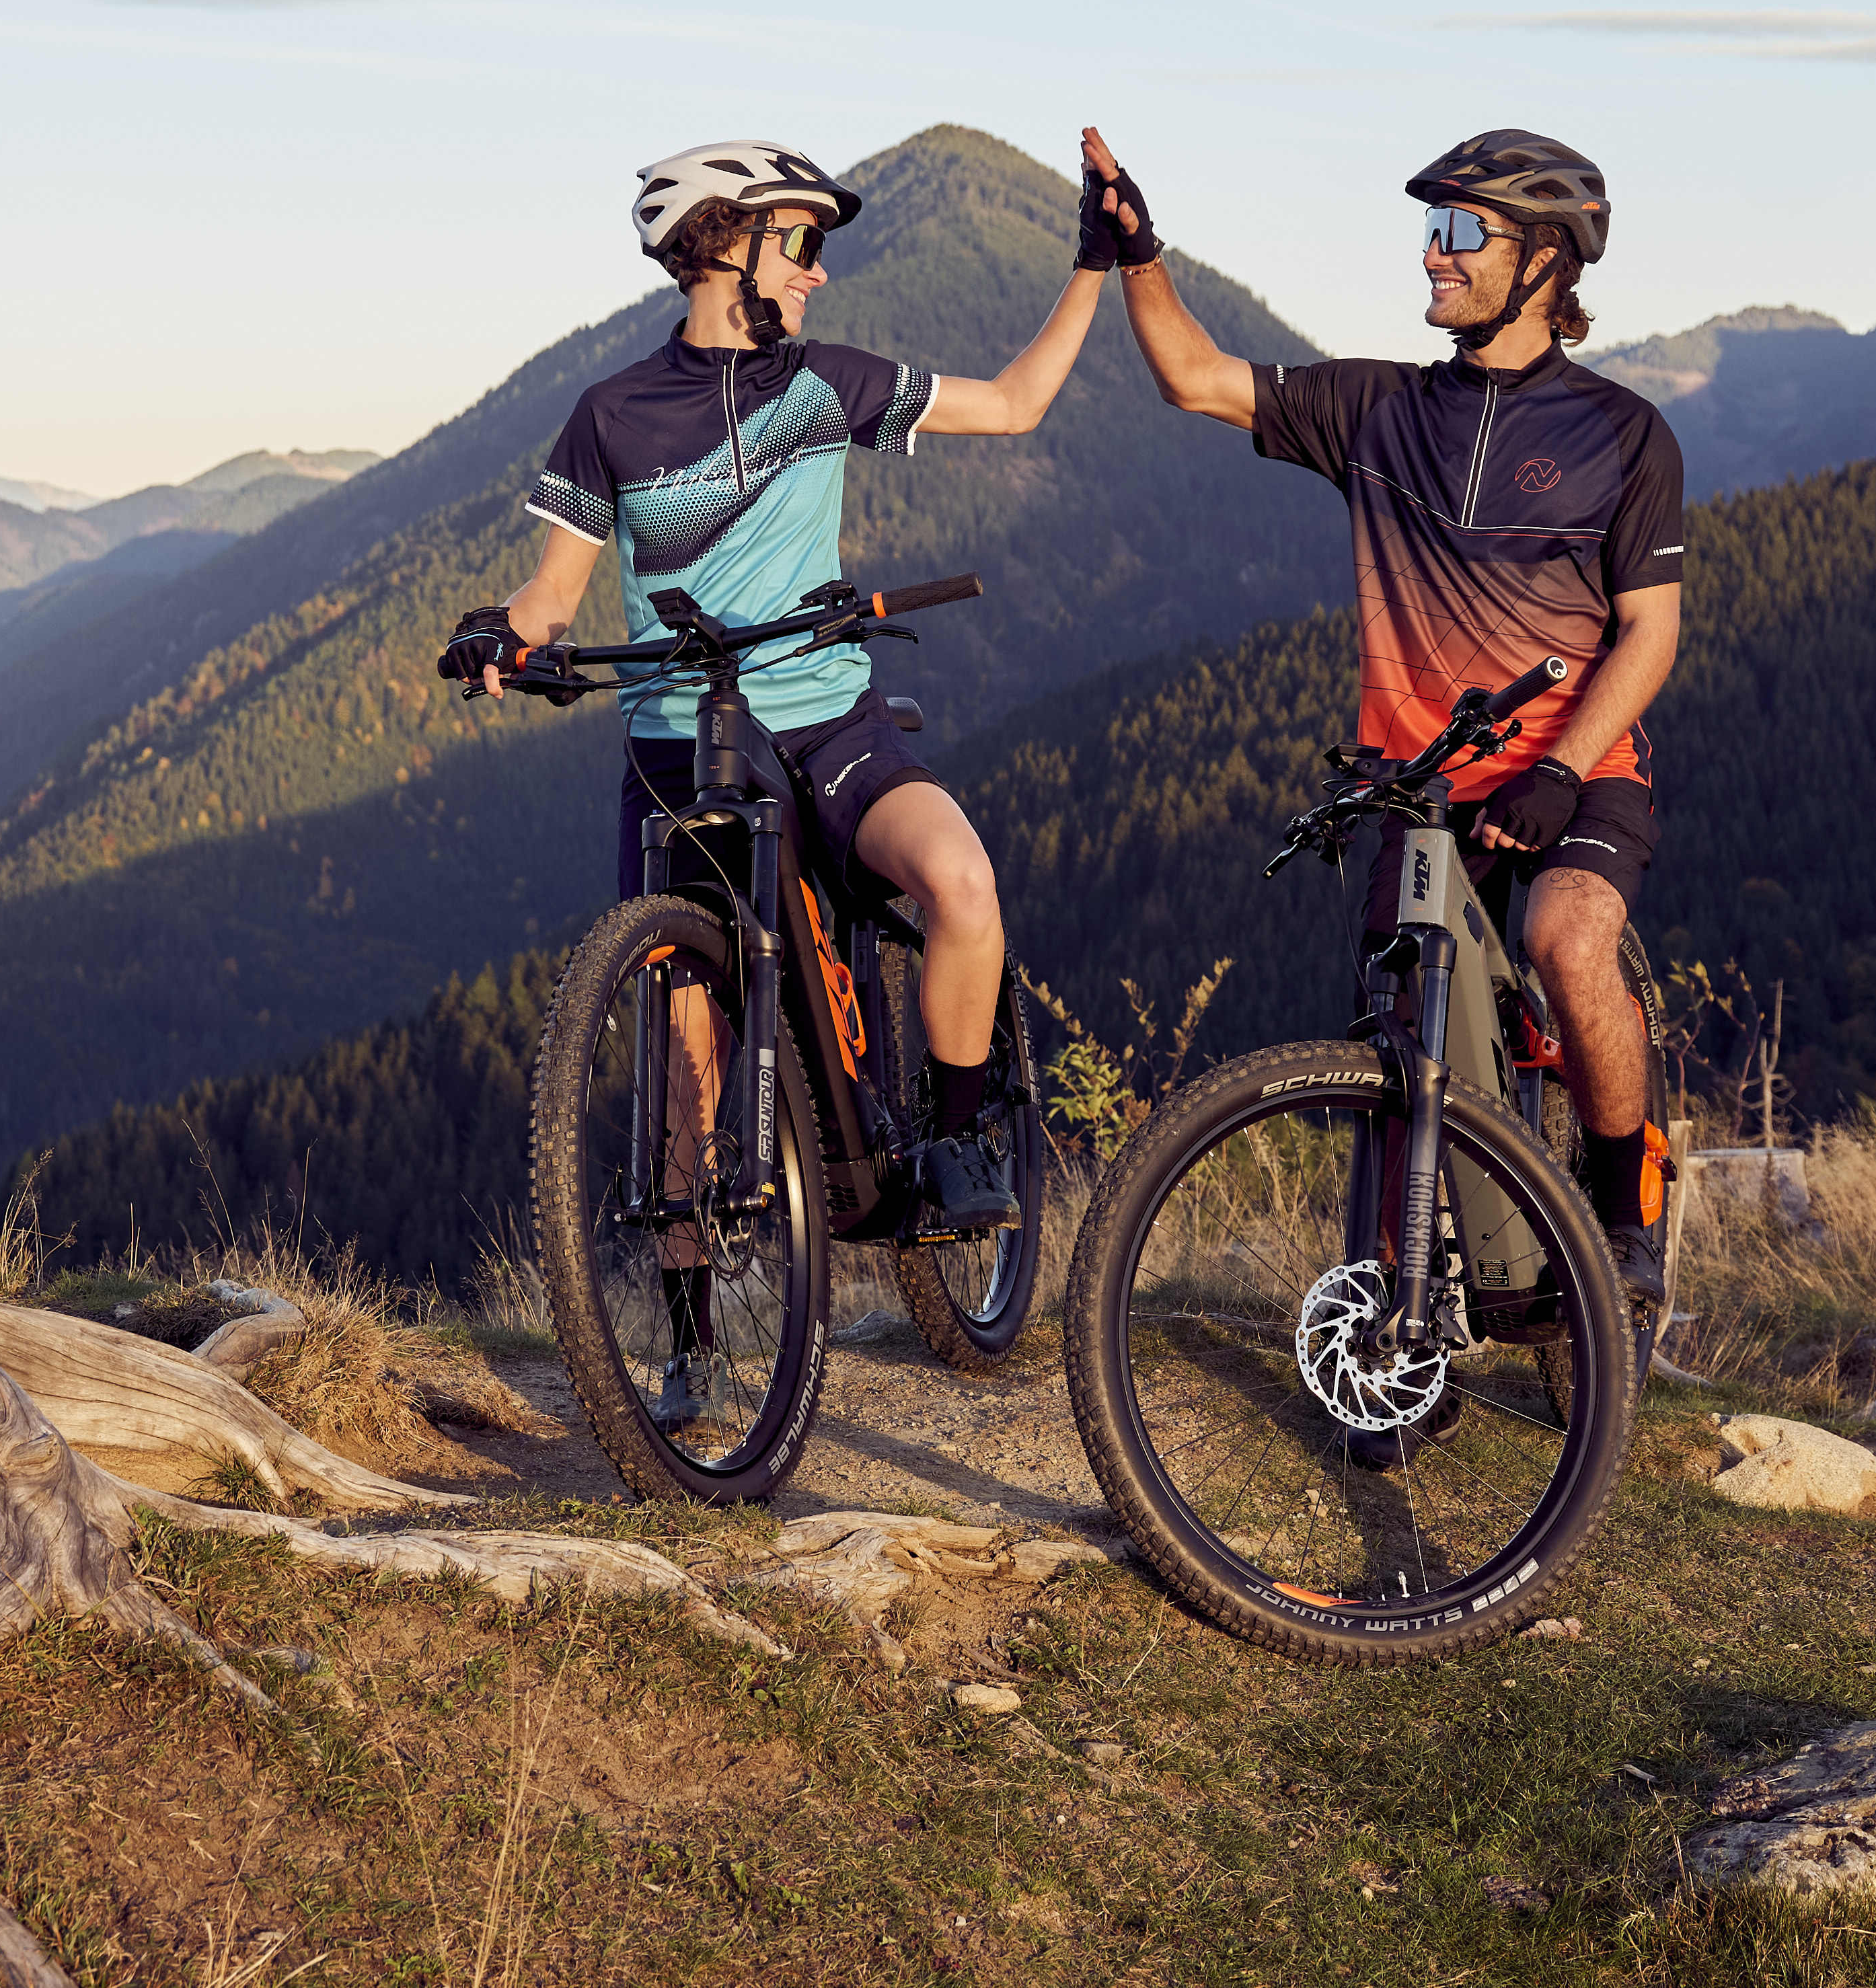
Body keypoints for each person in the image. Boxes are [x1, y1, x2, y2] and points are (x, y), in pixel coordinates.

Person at [439, 141, 1104, 1418]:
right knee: (687, 1044)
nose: (816, 272)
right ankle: (691, 1336)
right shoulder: (611, 414)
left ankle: (960, 1139)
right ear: (721, 245)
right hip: (682, 750)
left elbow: (1017, 403)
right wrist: (503, 636)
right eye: (798, 244)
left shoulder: (826, 386)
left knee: (960, 881)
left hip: (829, 725)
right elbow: (552, 595)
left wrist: (1094, 263)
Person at [1094, 123, 1686, 1305]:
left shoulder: (1624, 435)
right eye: (1432, 228)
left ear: (1547, 262)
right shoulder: (1376, 410)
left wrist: (1561, 768)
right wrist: (1139, 255)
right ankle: (1403, 1294)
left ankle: (1625, 1208)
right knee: (1404, 1037)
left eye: (1461, 231)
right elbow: (1194, 378)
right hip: (1418, 784)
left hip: (1569, 769)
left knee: (1568, 944)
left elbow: (1650, 632)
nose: (1432, 255)